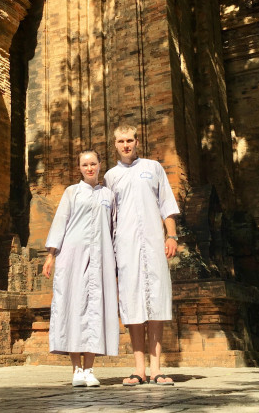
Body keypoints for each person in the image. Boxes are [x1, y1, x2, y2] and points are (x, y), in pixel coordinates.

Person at [104, 124, 181, 386]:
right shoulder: (111, 177)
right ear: (115, 145)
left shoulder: (153, 168)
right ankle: (139, 370)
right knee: (132, 304)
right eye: (121, 141)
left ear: (137, 141)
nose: (125, 145)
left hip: (154, 244)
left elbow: (166, 203)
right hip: (125, 247)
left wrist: (171, 236)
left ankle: (157, 369)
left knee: (156, 303)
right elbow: (109, 218)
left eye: (129, 140)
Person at [42, 150, 119, 387]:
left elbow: (114, 228)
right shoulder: (72, 192)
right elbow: (60, 222)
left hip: (101, 257)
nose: (89, 168)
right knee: (73, 306)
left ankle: (89, 369)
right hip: (72, 255)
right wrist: (51, 255)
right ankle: (76, 369)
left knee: (96, 307)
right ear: (79, 168)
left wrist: (118, 259)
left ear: (100, 165)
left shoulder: (108, 195)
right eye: (85, 165)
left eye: (93, 163)